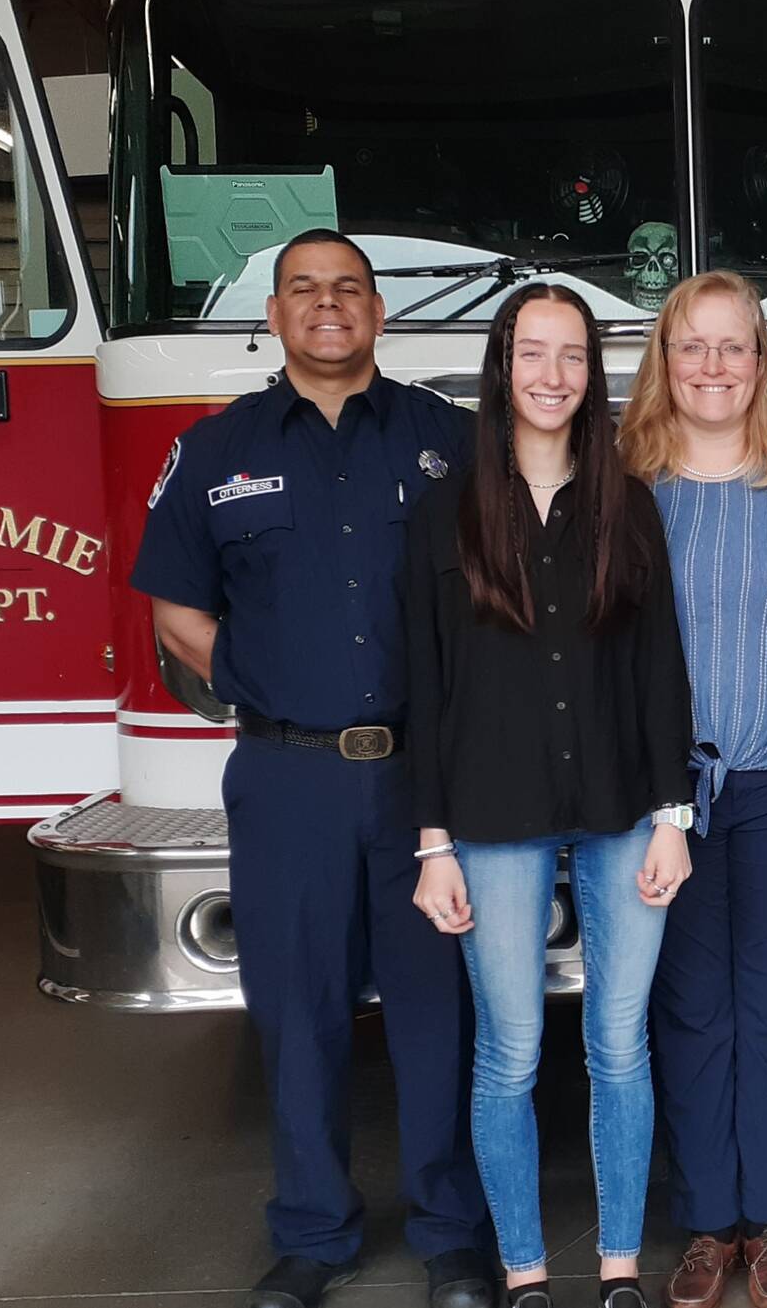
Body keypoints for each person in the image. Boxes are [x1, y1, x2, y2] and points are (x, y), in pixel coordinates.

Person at [130, 227, 495, 1308]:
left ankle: (449, 1235)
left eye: (347, 289)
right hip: (286, 777)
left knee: (438, 1015)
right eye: (304, 290)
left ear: (377, 313)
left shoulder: (449, 440)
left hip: (426, 784)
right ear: (276, 315)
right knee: (298, 1012)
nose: (327, 305)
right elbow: (176, 609)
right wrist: (265, 687)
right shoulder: (213, 451)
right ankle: (312, 1234)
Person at [407, 283, 695, 1308]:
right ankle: (525, 1273)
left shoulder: (628, 502)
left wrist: (675, 816)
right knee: (512, 1051)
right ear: (500, 365)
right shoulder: (444, 511)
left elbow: (662, 669)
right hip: (487, 815)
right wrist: (430, 842)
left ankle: (618, 1268)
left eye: (571, 356)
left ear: (592, 373)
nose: (551, 375)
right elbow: (423, 681)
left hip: (624, 807)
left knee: (620, 1044)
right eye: (532, 353)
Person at [618, 272, 767, 1308]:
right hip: (664, 794)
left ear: (761, 363)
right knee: (686, 1007)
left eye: (734, 346)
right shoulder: (627, 489)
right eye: (692, 346)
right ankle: (706, 1222)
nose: (713, 366)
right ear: (663, 362)